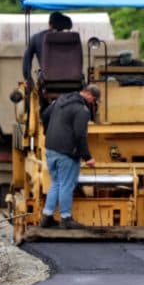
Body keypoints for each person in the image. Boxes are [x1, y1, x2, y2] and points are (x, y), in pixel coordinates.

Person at [40, 84, 100, 228]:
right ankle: (66, 219)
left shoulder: (60, 100)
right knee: (67, 185)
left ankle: (47, 217)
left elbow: (44, 116)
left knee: (56, 183)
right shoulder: (82, 110)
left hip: (50, 149)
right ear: (89, 95)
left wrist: (50, 133)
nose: (94, 103)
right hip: (66, 153)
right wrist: (88, 157)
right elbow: (80, 135)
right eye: (95, 99)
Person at [22, 11, 72, 91]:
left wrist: (28, 78)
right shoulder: (73, 38)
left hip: (47, 81)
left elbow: (26, 61)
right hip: (72, 80)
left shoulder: (36, 38)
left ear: (50, 24)